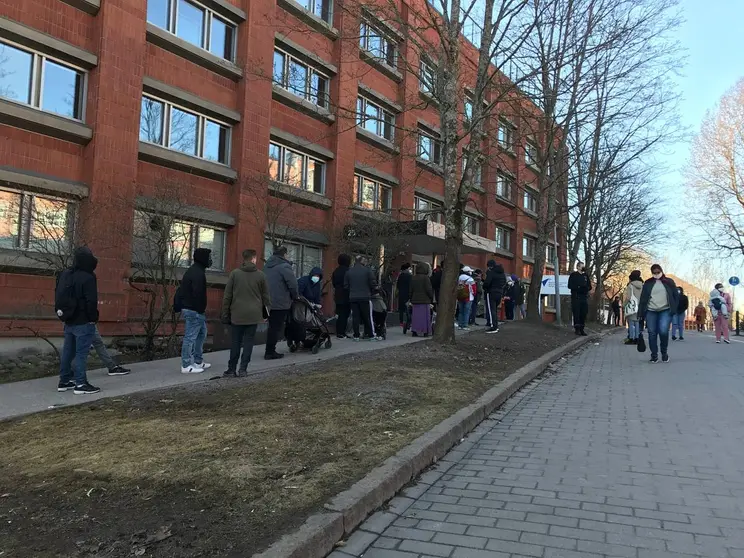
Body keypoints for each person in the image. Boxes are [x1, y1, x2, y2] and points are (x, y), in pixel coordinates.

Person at [55, 246, 102, 394]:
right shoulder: (88, 277)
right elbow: (91, 301)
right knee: (81, 353)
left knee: (68, 352)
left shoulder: (66, 274)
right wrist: (93, 318)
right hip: (84, 320)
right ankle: (80, 384)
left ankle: (64, 381)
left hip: (69, 319)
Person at [221, 249, 272, 377]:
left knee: (236, 342)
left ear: (244, 259)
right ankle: (243, 369)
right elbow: (266, 297)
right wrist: (266, 314)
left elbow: (227, 296)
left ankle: (231, 369)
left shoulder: (235, 274)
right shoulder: (261, 275)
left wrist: (225, 313)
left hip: (237, 314)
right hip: (254, 314)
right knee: (248, 342)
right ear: (254, 259)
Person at [177, 247, 212, 374]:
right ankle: (186, 364)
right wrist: (199, 309)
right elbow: (197, 293)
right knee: (190, 337)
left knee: (201, 334)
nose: (210, 260)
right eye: (208, 258)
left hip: (195, 310)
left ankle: (198, 361)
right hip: (194, 310)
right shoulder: (197, 273)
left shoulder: (195, 271)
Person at [638, 263, 679, 363]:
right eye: (654, 273)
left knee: (663, 331)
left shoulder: (669, 282)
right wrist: (640, 313)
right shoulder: (648, 283)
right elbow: (643, 299)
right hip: (651, 310)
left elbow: (675, 296)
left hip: (665, 310)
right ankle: (654, 355)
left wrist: (674, 308)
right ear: (652, 273)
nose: (656, 274)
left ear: (661, 271)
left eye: (658, 272)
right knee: (652, 333)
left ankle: (664, 353)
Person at [263, 245, 299, 359]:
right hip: (280, 302)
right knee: (277, 326)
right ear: (284, 255)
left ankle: (269, 349)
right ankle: (270, 352)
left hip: (266, 302)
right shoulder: (285, 267)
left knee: (271, 326)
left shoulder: (267, 266)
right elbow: (293, 285)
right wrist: (295, 296)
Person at [344, 255, 379, 340]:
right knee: (367, 316)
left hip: (353, 297)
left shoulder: (349, 272)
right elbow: (373, 283)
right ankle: (370, 334)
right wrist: (372, 290)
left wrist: (352, 290)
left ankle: (356, 335)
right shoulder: (367, 271)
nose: (366, 262)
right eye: (365, 260)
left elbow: (345, 286)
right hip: (364, 296)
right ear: (362, 261)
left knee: (355, 317)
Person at [408, 262, 434, 336]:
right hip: (425, 300)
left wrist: (410, 297)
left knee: (416, 317)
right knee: (424, 317)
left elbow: (411, 289)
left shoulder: (414, 277)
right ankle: (425, 331)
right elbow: (428, 289)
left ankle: (414, 331)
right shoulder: (426, 278)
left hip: (415, 300)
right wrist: (431, 297)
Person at [568, 262, 592, 336]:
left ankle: (582, 329)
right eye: (582, 266)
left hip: (584, 297)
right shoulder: (573, 275)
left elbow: (589, 286)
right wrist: (578, 287)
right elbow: (570, 285)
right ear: (578, 267)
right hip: (576, 297)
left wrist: (586, 288)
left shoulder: (585, 276)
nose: (583, 267)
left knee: (583, 313)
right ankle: (577, 329)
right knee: (576, 313)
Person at [483, 260, 506, 333]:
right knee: (494, 309)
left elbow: (487, 283)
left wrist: (485, 287)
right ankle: (495, 325)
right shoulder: (502, 273)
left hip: (491, 292)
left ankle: (493, 326)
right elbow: (504, 282)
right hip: (499, 292)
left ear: (490, 266)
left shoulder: (491, 272)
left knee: (491, 310)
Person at [332, 254, 351, 339]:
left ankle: (339, 331)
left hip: (337, 294)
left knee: (339, 314)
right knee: (345, 314)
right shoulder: (348, 271)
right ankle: (342, 332)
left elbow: (334, 283)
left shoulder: (336, 271)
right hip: (346, 294)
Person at [623, 270, 643, 345]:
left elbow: (628, 297)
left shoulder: (630, 285)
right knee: (637, 323)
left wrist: (624, 305)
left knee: (631, 323)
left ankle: (631, 338)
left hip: (631, 306)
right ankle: (637, 338)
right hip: (639, 306)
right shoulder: (642, 285)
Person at [456, 266, 476, 330]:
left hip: (460, 297)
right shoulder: (470, 279)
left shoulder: (459, 278)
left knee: (461, 311)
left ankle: (460, 325)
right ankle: (465, 325)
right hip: (468, 297)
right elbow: (474, 290)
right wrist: (473, 295)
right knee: (466, 312)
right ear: (468, 272)